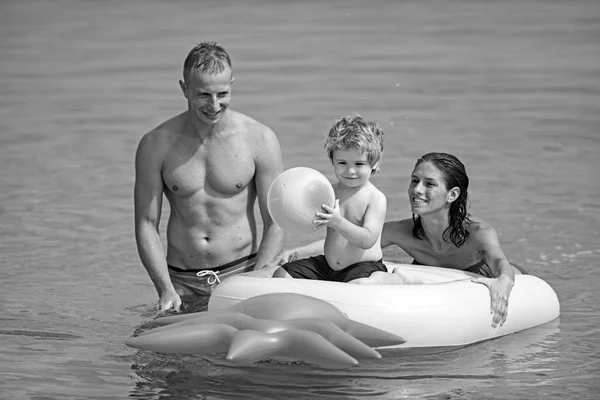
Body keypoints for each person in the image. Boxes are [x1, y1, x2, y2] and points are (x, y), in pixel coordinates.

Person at [134, 41, 284, 312]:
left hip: (243, 275)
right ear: (184, 89)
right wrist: (165, 289)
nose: (214, 105)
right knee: (154, 356)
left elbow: (276, 222)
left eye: (222, 94)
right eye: (203, 95)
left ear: (232, 85)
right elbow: (146, 224)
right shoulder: (155, 144)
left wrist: (257, 282)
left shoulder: (260, 139)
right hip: (181, 282)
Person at [363, 152, 519, 328]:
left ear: (452, 195)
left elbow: (499, 261)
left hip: (503, 281)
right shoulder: (401, 231)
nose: (417, 190)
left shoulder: (478, 234)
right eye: (415, 180)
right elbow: (354, 244)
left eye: (429, 184)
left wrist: (504, 281)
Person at [272, 115, 388, 282]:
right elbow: (312, 220)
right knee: (282, 275)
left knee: (360, 286)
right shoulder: (329, 192)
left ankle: (395, 279)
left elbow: (367, 240)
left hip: (364, 266)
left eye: (359, 164)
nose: (350, 171)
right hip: (329, 266)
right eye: (342, 163)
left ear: (374, 163)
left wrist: (338, 222)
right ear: (332, 160)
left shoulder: (375, 198)